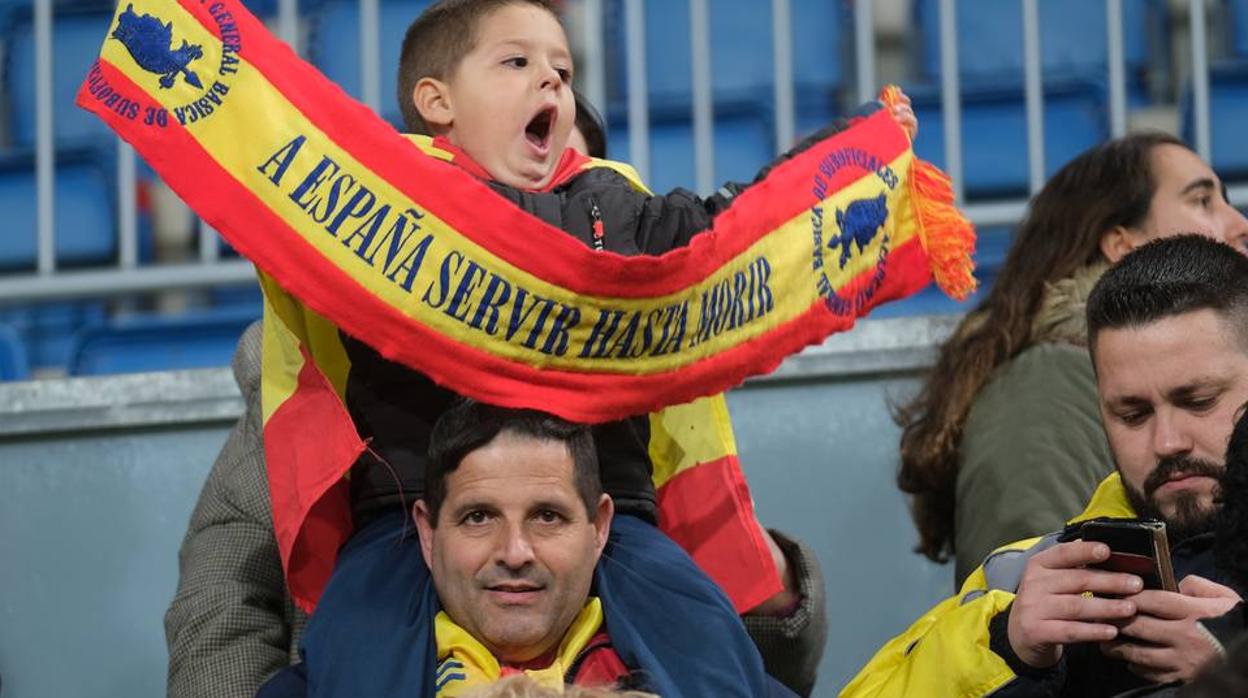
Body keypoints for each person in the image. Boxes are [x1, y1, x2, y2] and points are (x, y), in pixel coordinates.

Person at [166, 0, 851, 695]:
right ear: (436, 104)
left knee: (716, 666)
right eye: (518, 63)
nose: (550, 83)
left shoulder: (619, 225)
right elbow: (221, 599)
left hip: (624, 530)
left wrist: (858, 158)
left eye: (562, 70)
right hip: (392, 525)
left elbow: (728, 227)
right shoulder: (376, 230)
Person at [843, 234, 1248, 697]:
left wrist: (1235, 664)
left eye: (1198, 401)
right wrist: (1007, 654)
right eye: (1132, 414)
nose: (1168, 442)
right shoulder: (1024, 577)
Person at [894, 133, 1248, 586]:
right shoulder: (1047, 380)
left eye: (1198, 400)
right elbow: (1019, 595)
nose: (1236, 222)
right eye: (1202, 200)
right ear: (1122, 245)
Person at [259, 401, 802, 696]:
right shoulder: (328, 679)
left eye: (547, 517)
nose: (515, 551)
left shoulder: (702, 662)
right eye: (478, 517)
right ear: (427, 532)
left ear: (599, 527)